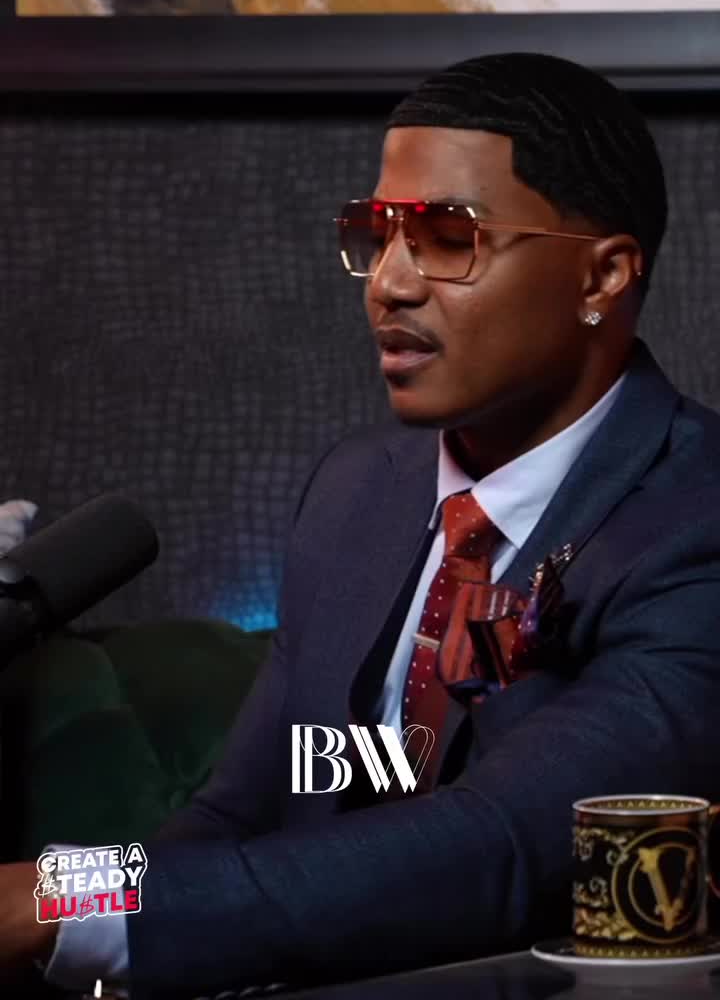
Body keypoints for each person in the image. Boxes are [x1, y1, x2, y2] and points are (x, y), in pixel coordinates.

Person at [2, 51, 720, 997]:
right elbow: (243, 813)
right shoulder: (358, 490)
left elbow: (504, 844)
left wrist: (63, 898)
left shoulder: (695, 519)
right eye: (376, 235)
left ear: (603, 276)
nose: (388, 283)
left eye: (448, 238)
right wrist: (77, 942)